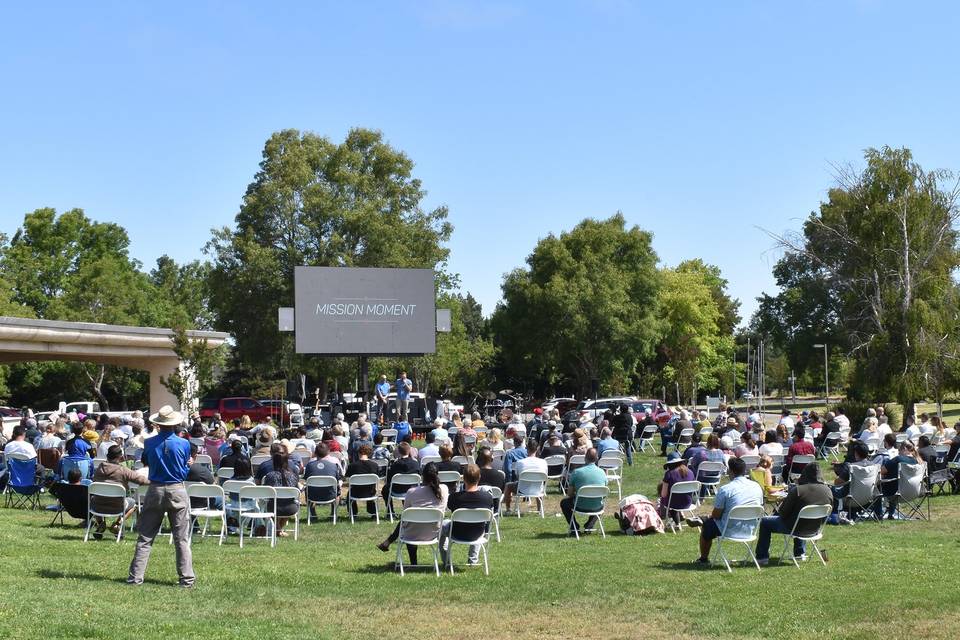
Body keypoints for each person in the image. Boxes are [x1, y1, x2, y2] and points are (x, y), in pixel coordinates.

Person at [127, 405, 195, 588]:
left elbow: (145, 461)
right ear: (174, 424)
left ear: (158, 424)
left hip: (155, 489)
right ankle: (186, 579)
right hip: (177, 490)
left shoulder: (149, 443)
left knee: (145, 537)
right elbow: (183, 469)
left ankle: (135, 578)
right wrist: (188, 465)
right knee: (181, 538)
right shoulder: (184, 443)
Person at [754, 463, 833, 564]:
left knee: (765, 521)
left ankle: (762, 557)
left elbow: (783, 513)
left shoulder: (798, 490)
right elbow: (828, 512)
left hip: (795, 528)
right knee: (800, 518)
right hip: (815, 528)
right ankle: (800, 553)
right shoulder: (828, 490)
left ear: (804, 474)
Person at [694, 457, 763, 566]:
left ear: (730, 471)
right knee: (711, 520)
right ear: (744, 470)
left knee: (707, 525)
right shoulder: (757, 486)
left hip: (729, 529)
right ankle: (702, 519)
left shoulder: (726, 489)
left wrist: (710, 517)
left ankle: (703, 559)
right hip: (750, 529)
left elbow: (716, 515)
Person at [377, 462, 448, 562]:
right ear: (437, 475)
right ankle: (446, 561)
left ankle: (413, 562)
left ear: (422, 476)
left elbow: (405, 515)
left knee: (408, 523)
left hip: (412, 534)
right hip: (434, 533)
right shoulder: (444, 489)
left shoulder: (412, 492)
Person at [440, 464, 495, 565]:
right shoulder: (487, 497)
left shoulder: (454, 497)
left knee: (442, 524)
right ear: (479, 478)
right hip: (478, 533)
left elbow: (450, 508)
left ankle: (446, 560)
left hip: (457, 533)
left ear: (463, 478)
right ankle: (473, 560)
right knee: (478, 522)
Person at [90, 444, 146, 539]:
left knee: (92, 498)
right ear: (120, 457)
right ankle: (117, 524)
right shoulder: (123, 470)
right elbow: (141, 480)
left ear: (107, 456)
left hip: (97, 506)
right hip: (117, 507)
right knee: (134, 503)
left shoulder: (99, 468)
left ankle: (100, 523)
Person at [260, 448, 300, 536]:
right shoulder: (292, 476)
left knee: (275, 502)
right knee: (283, 501)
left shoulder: (270, 476)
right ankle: (278, 529)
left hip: (273, 507)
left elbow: (266, 492)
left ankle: (277, 529)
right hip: (290, 508)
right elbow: (297, 492)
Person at [877, 440, 921, 519]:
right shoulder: (917, 461)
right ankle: (891, 514)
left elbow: (881, 471)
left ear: (904, 448)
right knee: (895, 483)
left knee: (877, 487)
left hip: (895, 493)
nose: (898, 452)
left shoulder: (898, 459)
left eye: (899, 450)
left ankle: (878, 514)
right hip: (913, 492)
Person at [503, 439, 546, 511]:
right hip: (538, 489)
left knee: (508, 485)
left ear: (526, 448)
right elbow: (545, 477)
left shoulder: (520, 462)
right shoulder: (543, 462)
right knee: (539, 483)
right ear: (537, 448)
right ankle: (539, 509)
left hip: (522, 489)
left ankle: (508, 508)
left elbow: (517, 476)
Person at [303, 442, 342, 517]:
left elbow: (306, 479)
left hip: (313, 495)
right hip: (331, 495)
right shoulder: (334, 466)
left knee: (306, 489)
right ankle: (333, 514)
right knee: (338, 488)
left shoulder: (309, 465)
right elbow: (338, 480)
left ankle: (312, 514)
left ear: (315, 453)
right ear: (328, 452)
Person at [657, 452, 696, 525]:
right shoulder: (690, 472)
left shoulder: (669, 474)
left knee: (664, 499)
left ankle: (664, 516)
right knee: (674, 499)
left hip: (673, 504)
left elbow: (663, 494)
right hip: (688, 502)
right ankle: (679, 517)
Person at [382, 441, 420, 510]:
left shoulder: (395, 465)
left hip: (397, 490)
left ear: (399, 451)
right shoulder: (415, 464)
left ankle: (390, 511)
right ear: (409, 450)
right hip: (412, 490)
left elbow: (389, 480)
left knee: (385, 489)